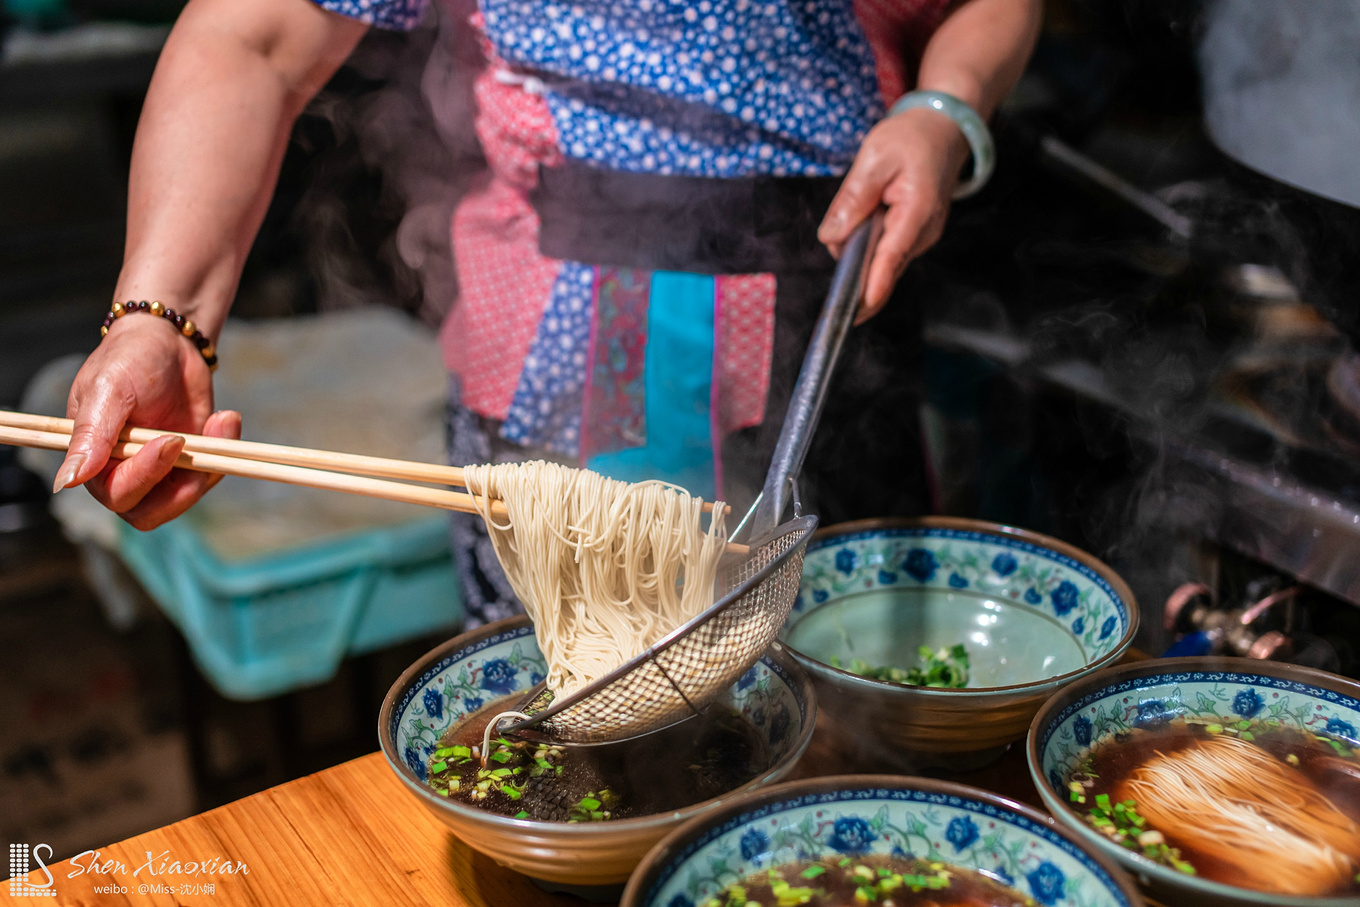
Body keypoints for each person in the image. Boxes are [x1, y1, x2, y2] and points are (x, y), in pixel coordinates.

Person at [53, 0, 1041, 626]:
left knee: (851, 675)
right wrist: (159, 318)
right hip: (569, 339)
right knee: (577, 709)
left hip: (837, 315)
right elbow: (253, 37)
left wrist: (944, 107)